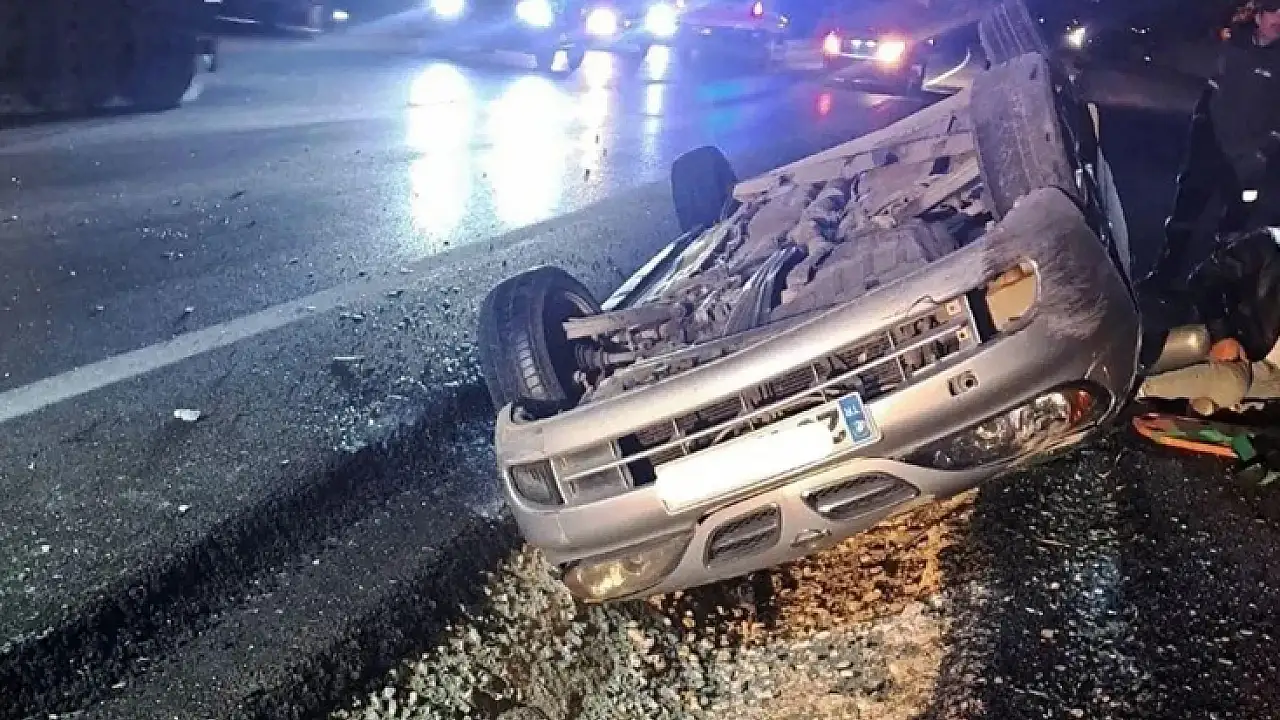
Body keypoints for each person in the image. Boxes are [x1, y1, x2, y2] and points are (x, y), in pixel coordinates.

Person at [1142, 0, 1280, 291]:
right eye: (1273, 11)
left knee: (1234, 229)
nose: (1278, 19)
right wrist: (1150, 49)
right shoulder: (1230, 47)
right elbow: (1190, 63)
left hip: (1247, 163)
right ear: (1258, 16)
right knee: (1184, 217)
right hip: (1209, 152)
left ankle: (1219, 290)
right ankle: (1164, 276)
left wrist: (1263, 150)